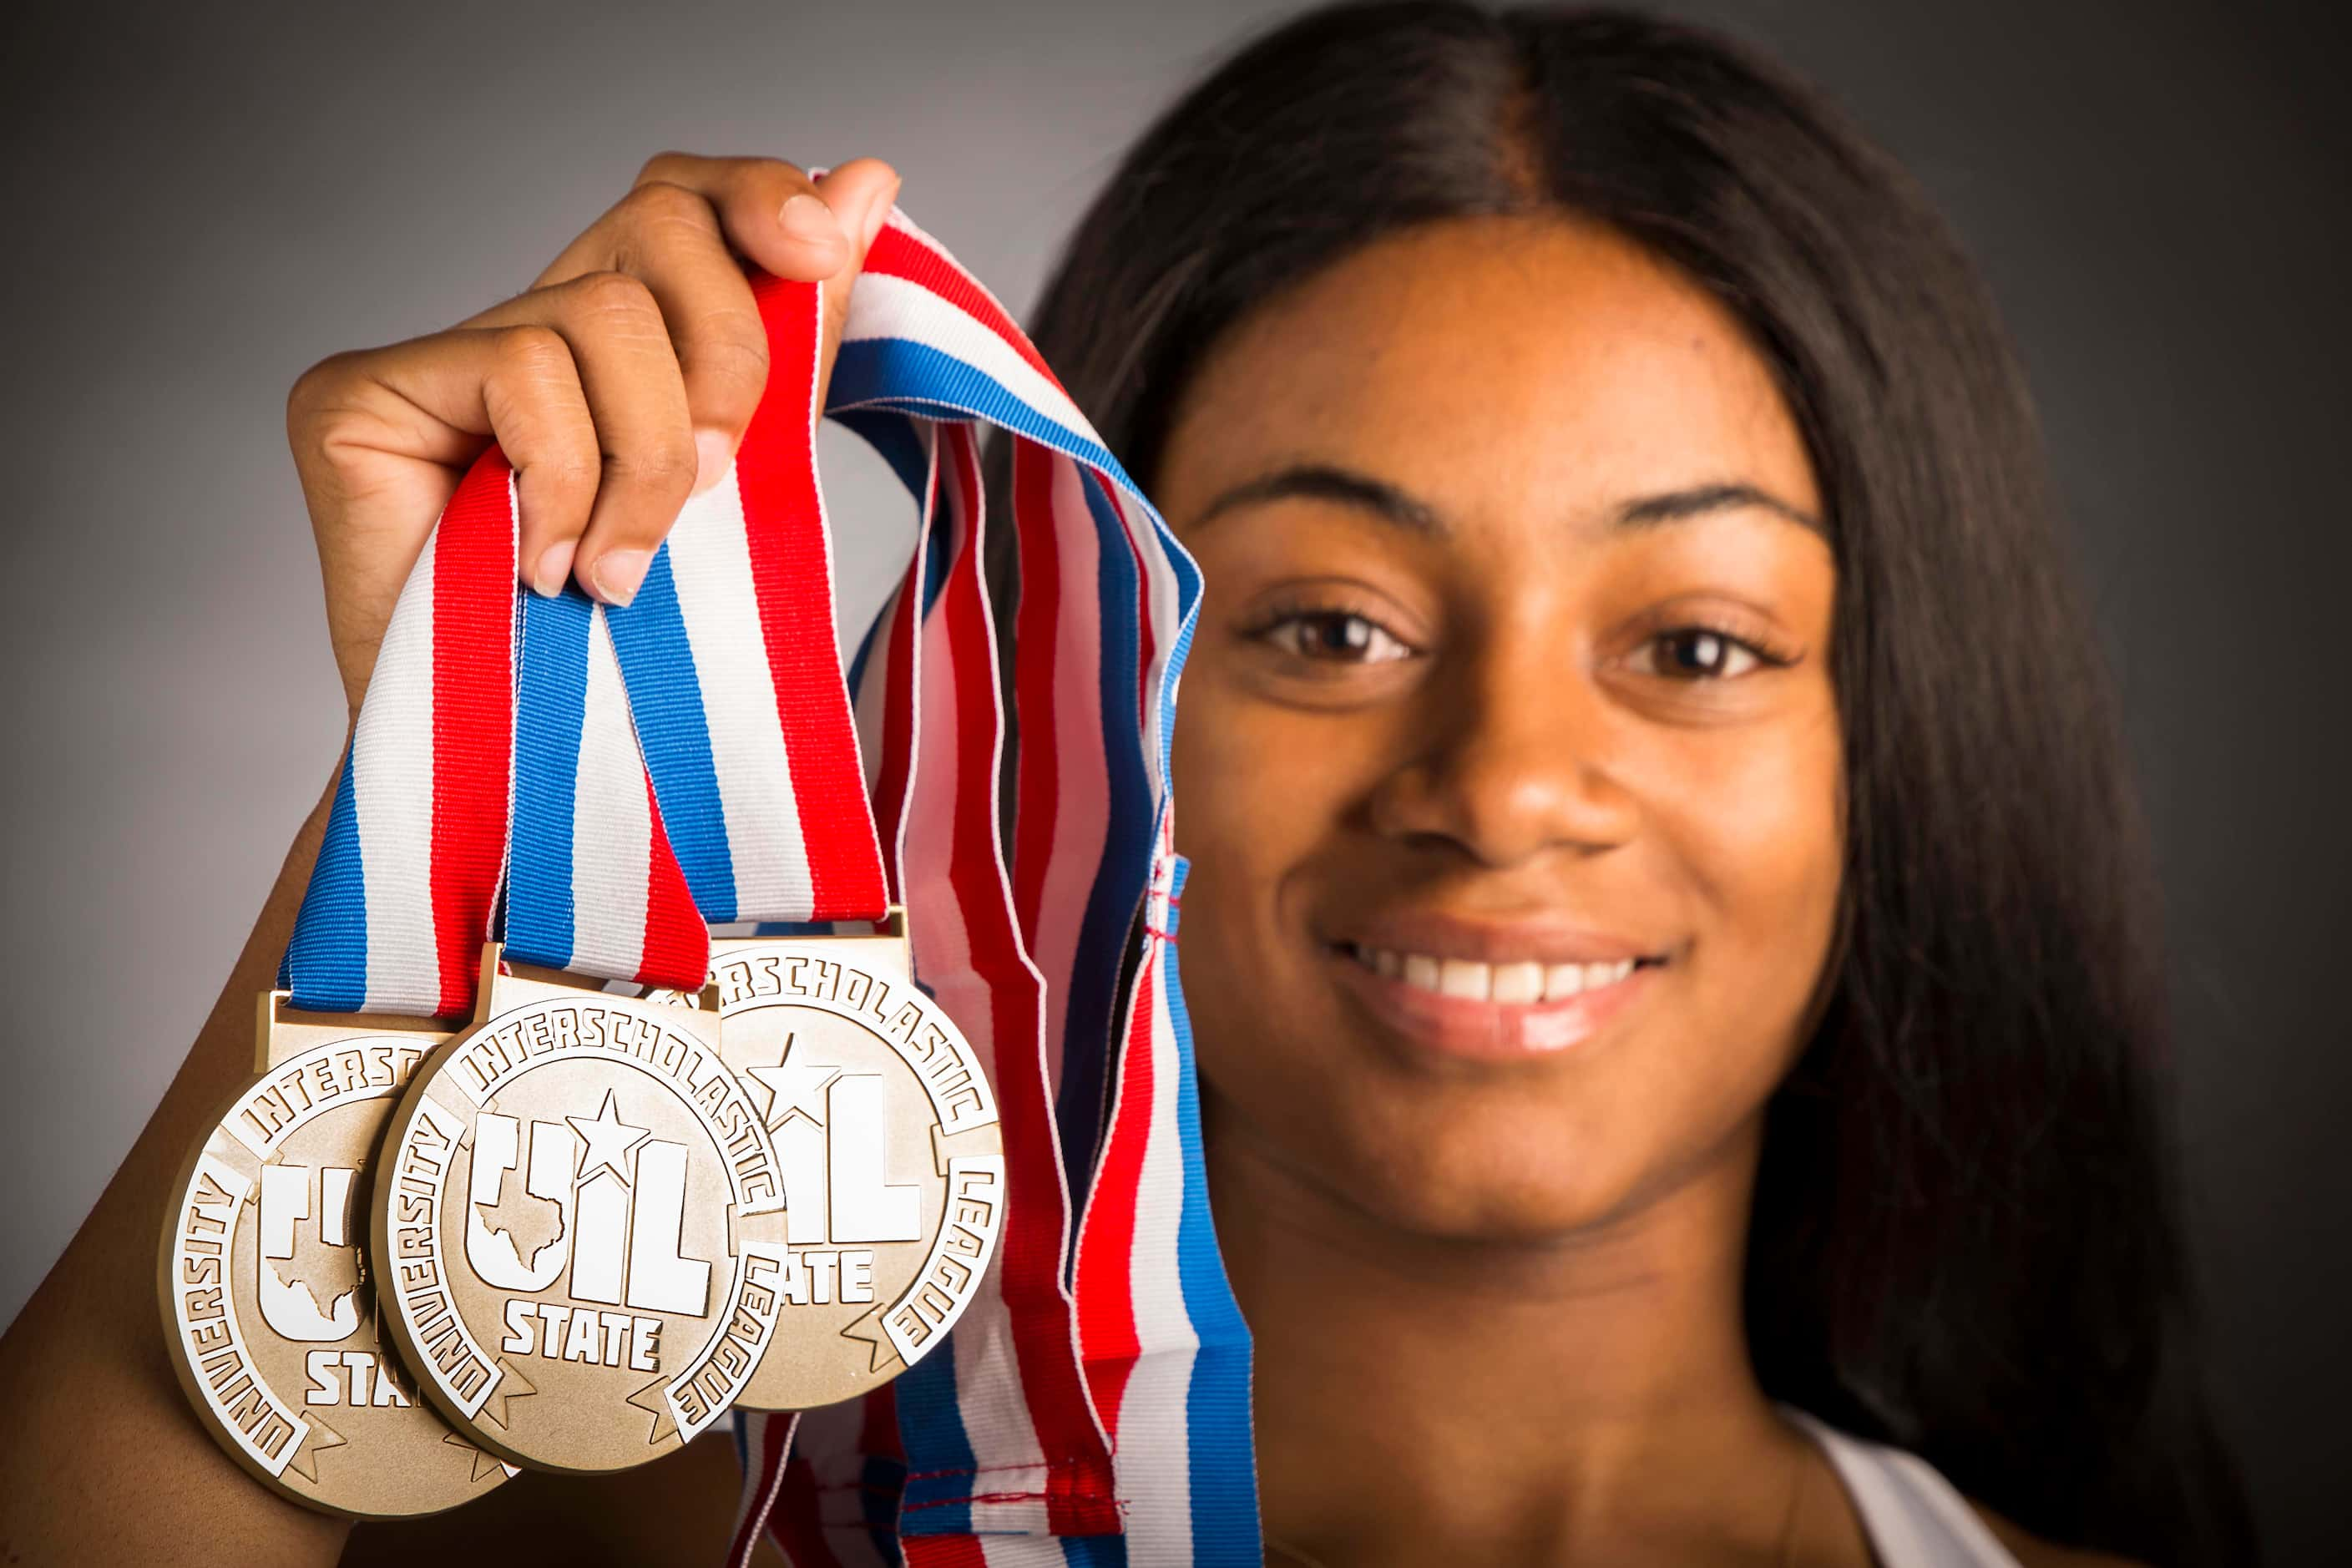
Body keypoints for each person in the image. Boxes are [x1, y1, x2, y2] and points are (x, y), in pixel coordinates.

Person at [0, 3, 2258, 1565]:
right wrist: (449, 789)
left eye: (1694, 645)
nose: (1498, 785)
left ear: (1901, 744)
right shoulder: (657, 1540)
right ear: (1085, 700)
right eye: (1327, 624)